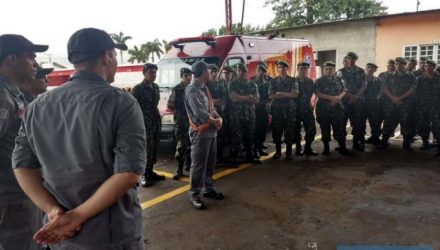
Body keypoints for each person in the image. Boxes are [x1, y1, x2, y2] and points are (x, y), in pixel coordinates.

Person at [12, 28, 146, 249]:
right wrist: (76, 216)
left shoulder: (37, 106)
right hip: (111, 236)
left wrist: (53, 210)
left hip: (60, 235)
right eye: (113, 55)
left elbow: (21, 166)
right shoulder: (120, 102)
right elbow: (128, 173)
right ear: (106, 56)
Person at [0, 34, 48, 250]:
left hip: (20, 196)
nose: (35, 64)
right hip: (11, 200)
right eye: (30, 57)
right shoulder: (2, 96)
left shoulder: (13, 94)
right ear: (12, 60)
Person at [184, 61, 224, 210]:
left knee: (210, 162)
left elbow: (211, 108)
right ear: (202, 73)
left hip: (211, 132)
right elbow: (200, 113)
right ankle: (195, 194)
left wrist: (219, 118)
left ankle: (208, 188)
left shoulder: (204, 88)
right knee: (199, 164)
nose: (210, 72)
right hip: (200, 133)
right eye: (208, 70)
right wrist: (215, 121)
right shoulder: (192, 90)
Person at [132, 63, 165, 187]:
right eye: (151, 72)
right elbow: (134, 108)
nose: (154, 75)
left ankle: (150, 172)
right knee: (146, 149)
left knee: (155, 147)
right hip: (144, 123)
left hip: (155, 120)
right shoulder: (138, 89)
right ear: (144, 74)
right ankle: (144, 175)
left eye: (155, 72)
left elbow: (155, 104)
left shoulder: (155, 87)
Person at [315, 61, 352, 156]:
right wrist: (332, 98)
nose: (328, 71)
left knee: (339, 129)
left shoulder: (339, 79)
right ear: (323, 70)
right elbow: (318, 94)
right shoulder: (319, 81)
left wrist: (339, 97)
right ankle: (326, 148)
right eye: (326, 69)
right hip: (324, 108)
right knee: (325, 128)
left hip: (337, 108)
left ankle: (343, 147)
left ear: (334, 70)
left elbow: (345, 90)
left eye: (330, 69)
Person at [379, 57, 416, 151]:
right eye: (396, 64)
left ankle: (406, 143)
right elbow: (385, 88)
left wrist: (400, 98)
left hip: (405, 103)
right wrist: (393, 98)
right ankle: (384, 141)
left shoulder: (410, 76)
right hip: (391, 103)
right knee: (388, 122)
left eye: (400, 64)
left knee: (406, 122)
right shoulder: (389, 76)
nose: (397, 66)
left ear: (404, 65)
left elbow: (412, 89)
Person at [229, 63, 261, 165]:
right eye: (239, 71)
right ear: (236, 72)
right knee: (236, 137)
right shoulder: (232, 83)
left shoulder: (252, 84)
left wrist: (241, 97)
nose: (241, 73)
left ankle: (250, 156)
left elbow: (256, 100)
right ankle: (235, 159)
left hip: (250, 115)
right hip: (236, 115)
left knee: (249, 136)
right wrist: (248, 97)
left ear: (246, 72)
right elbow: (233, 97)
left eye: (243, 71)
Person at [337, 52, 367, 151]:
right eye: (349, 58)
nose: (350, 60)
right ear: (346, 59)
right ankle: (342, 145)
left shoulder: (361, 71)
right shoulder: (340, 71)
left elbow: (364, 85)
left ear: (355, 60)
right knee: (341, 123)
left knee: (357, 123)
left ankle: (356, 143)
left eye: (352, 59)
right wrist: (350, 96)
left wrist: (356, 96)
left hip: (357, 101)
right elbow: (339, 86)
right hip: (344, 101)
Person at [270, 60, 298, 160]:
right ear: (278, 69)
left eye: (284, 67)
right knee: (277, 132)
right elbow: (271, 95)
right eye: (280, 67)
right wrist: (287, 94)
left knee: (289, 132)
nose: (282, 69)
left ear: (287, 69)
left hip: (289, 110)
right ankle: (278, 152)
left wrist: (280, 93)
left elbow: (295, 94)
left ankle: (289, 153)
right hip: (277, 111)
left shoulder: (293, 80)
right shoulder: (273, 81)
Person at [168, 67, 192, 180]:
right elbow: (170, 105)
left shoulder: (193, 88)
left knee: (191, 144)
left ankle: (189, 166)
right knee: (181, 145)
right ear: (181, 77)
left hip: (193, 121)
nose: (188, 77)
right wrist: (180, 111)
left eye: (189, 75)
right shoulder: (177, 89)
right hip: (182, 121)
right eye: (186, 76)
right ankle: (179, 169)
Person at [293, 62, 318, 156]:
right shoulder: (292, 81)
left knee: (311, 129)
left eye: (305, 69)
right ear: (297, 69)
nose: (303, 71)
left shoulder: (310, 81)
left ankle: (308, 148)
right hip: (295, 108)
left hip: (307, 108)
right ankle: (298, 148)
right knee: (296, 130)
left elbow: (316, 93)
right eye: (301, 68)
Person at [207, 64, 228, 163]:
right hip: (207, 115)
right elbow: (204, 101)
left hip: (219, 113)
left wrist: (211, 101)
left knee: (221, 136)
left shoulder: (220, 84)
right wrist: (214, 101)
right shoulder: (204, 85)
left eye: (216, 72)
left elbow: (223, 101)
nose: (214, 74)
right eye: (212, 72)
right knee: (209, 137)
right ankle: (210, 159)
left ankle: (219, 157)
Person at [415, 59, 437, 150]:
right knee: (423, 125)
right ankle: (425, 143)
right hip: (423, 106)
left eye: (429, 66)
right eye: (425, 66)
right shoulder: (419, 79)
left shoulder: (438, 79)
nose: (427, 68)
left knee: (437, 125)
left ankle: (438, 144)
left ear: (434, 67)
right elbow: (415, 93)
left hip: (436, 107)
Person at [250, 62, 271, 158]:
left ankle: (260, 148)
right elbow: (250, 96)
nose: (261, 72)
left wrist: (261, 103)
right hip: (254, 110)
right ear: (256, 71)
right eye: (259, 70)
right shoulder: (251, 82)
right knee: (255, 131)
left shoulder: (267, 83)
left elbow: (270, 97)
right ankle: (254, 150)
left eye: (263, 71)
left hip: (264, 109)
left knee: (263, 129)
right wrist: (255, 103)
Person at [363, 63, 383, 145]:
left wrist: (378, 97)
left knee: (375, 123)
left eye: (372, 68)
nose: (370, 69)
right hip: (362, 105)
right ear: (365, 68)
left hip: (373, 105)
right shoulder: (360, 79)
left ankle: (375, 138)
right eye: (368, 67)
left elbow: (381, 90)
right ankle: (360, 139)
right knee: (360, 123)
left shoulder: (378, 80)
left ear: (375, 70)